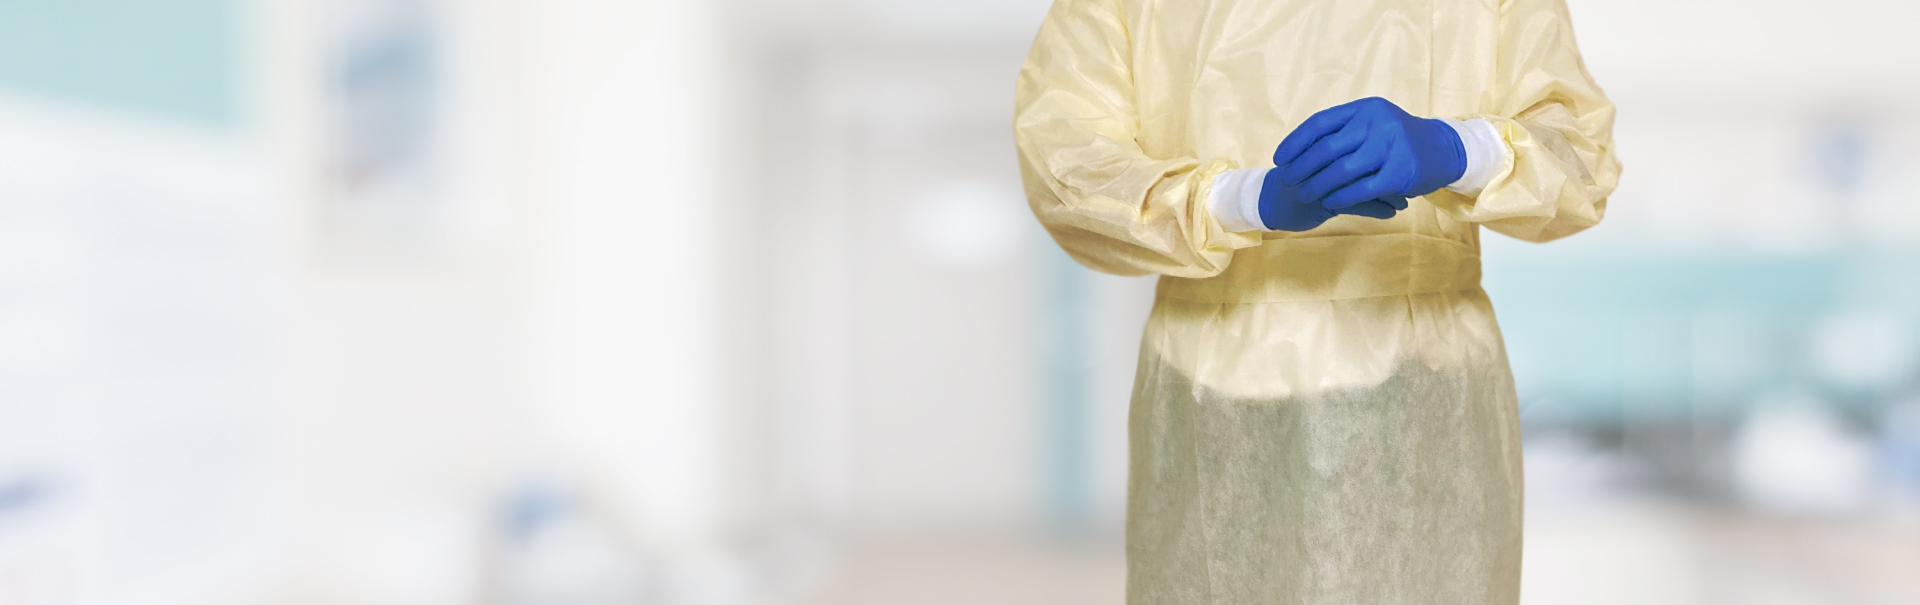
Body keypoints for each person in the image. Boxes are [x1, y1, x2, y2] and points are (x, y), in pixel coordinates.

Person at [1013, 1, 1620, 603]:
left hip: (1425, 382)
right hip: (1215, 392)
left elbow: (1579, 156)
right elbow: (1069, 164)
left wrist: (1458, 148)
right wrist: (1245, 197)